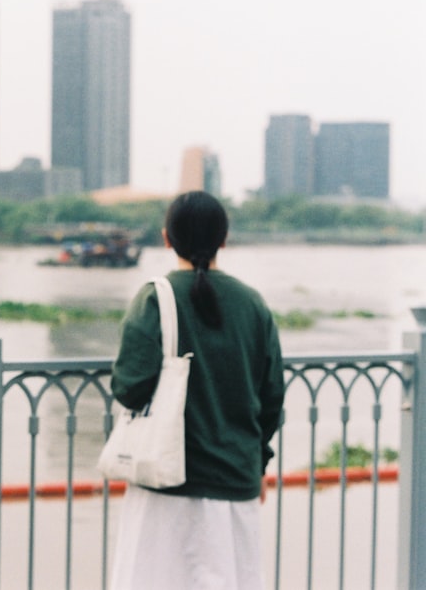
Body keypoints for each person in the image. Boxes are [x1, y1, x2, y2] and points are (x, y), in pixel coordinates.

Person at [108, 191, 285, 590]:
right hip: (236, 483)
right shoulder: (253, 304)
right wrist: (259, 464)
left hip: (166, 483)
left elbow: (129, 388)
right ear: (225, 239)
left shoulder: (156, 297)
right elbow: (272, 398)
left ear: (167, 238)